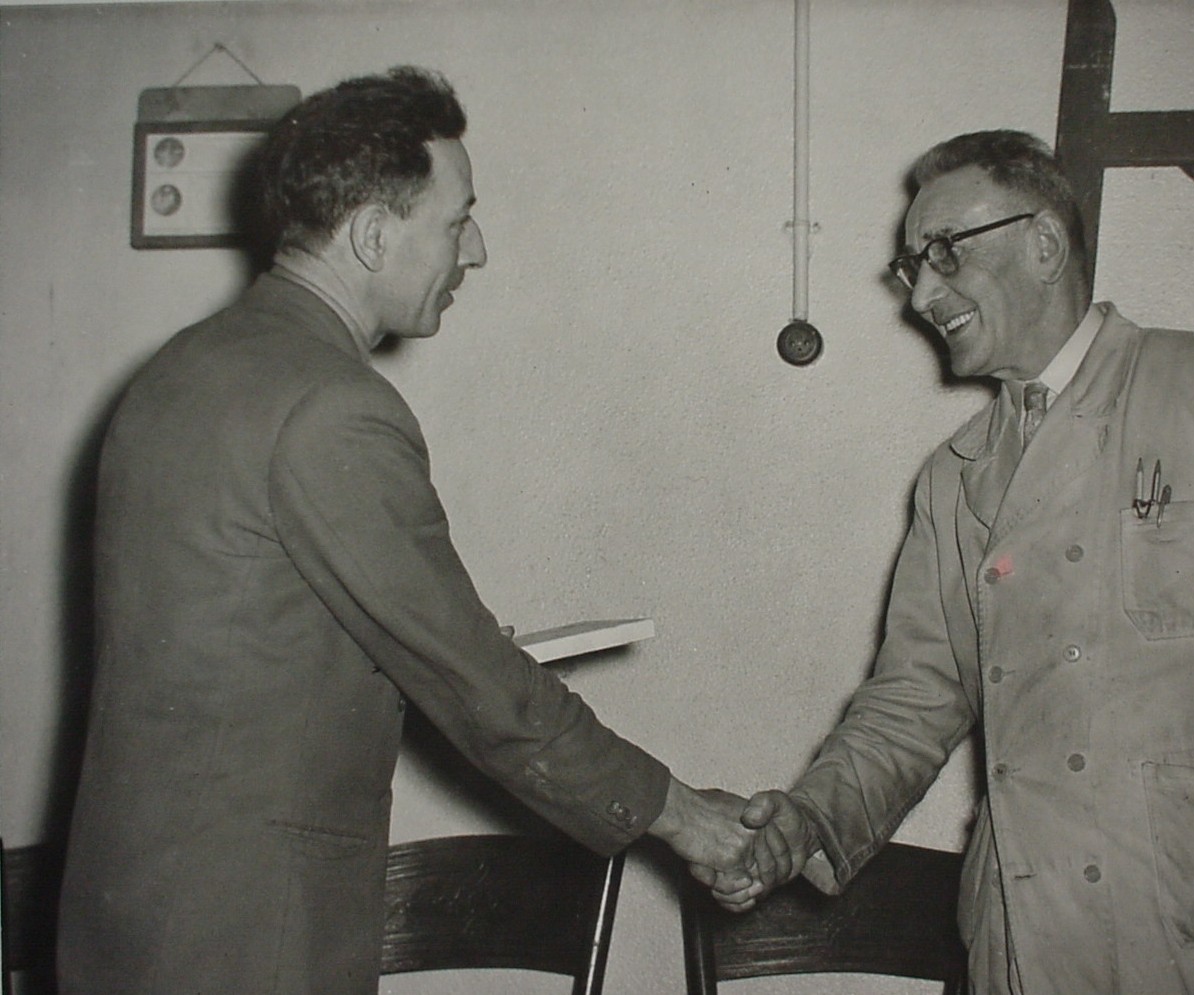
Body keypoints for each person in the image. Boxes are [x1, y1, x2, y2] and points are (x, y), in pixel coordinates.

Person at [57, 66, 756, 994]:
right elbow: (479, 687)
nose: (477, 250)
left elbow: (251, 635)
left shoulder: (178, 372)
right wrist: (688, 820)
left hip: (135, 914)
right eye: (458, 220)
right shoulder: (333, 406)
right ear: (374, 235)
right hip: (249, 936)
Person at [715, 130, 1194, 995]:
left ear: (1044, 243)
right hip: (1028, 937)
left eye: (944, 252)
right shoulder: (954, 478)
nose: (921, 294)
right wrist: (812, 818)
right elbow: (913, 697)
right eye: (913, 267)